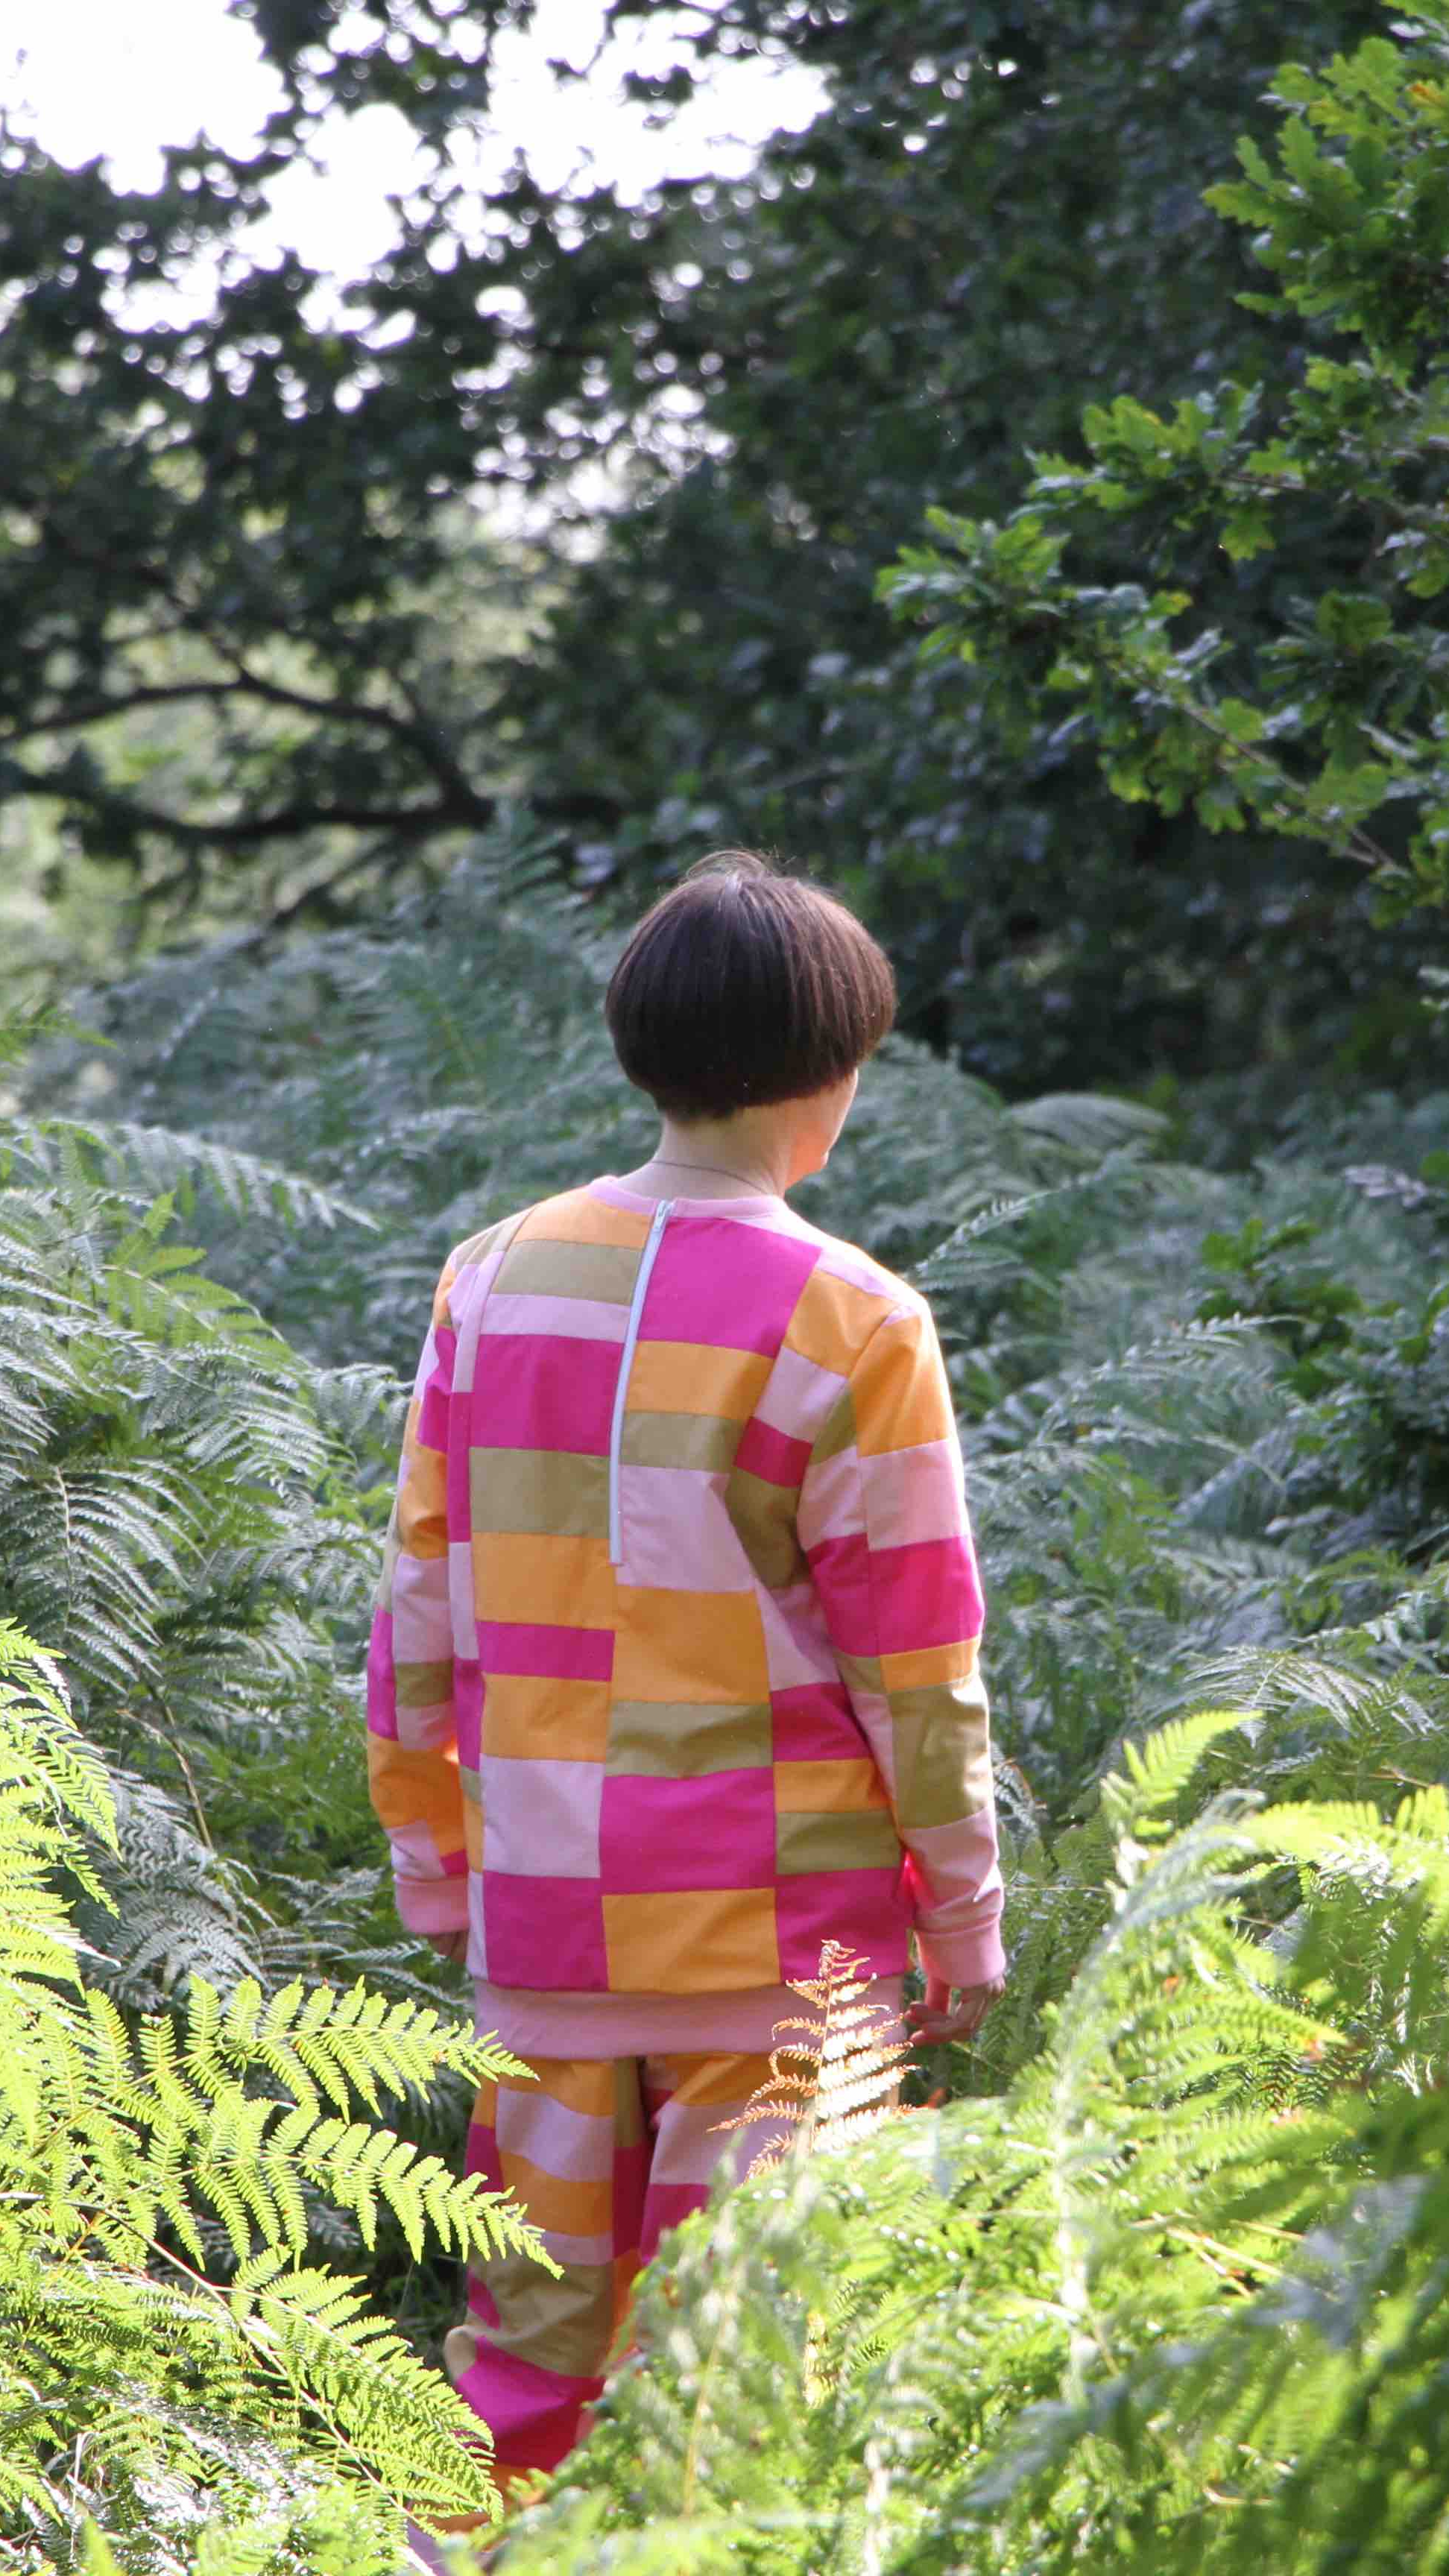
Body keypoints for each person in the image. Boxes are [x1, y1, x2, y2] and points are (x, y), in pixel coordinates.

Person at [364, 851, 1008, 2489]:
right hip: (794, 1959)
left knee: (516, 2370)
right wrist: (963, 1917)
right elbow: (918, 1664)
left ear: (640, 1052)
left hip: (550, 1937)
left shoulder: (491, 1277)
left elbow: (421, 1605)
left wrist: (440, 1865)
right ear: (841, 1073)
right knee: (743, 2386)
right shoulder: (855, 1317)